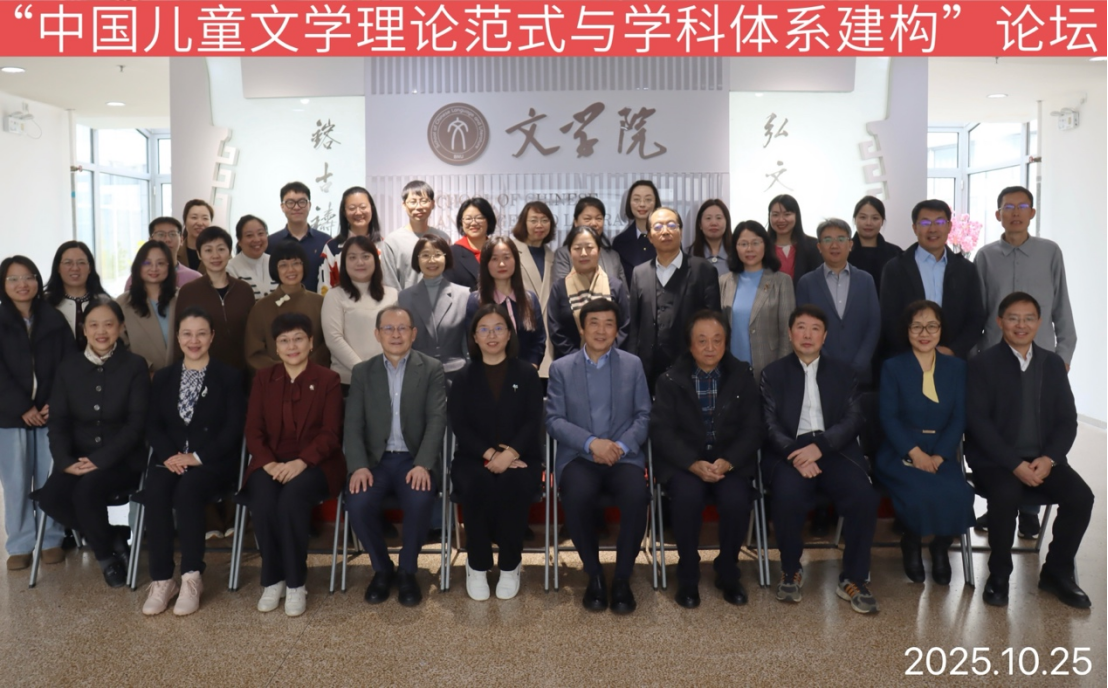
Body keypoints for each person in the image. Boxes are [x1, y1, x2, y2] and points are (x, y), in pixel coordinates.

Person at [966, 292, 1093, 609]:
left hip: (1043, 459)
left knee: (1081, 497)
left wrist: (1049, 458)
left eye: (1028, 318)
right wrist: (1013, 464)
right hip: (996, 461)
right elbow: (978, 423)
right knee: (1006, 494)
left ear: (1039, 323)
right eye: (1013, 318)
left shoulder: (1052, 364)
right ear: (1000, 322)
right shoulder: (982, 364)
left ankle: (1056, 572)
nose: (1021, 325)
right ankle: (999, 575)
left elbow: (1067, 420)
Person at [760, 305, 879, 614]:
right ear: (790, 333)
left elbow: (854, 418)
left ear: (825, 336)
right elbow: (769, 424)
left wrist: (821, 447)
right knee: (787, 496)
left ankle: (853, 578)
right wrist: (796, 454)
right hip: (790, 451)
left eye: (815, 329)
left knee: (863, 497)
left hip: (834, 448)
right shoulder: (772, 373)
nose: (807, 335)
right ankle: (790, 570)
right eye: (801, 327)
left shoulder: (844, 373)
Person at [974, 186, 1077, 538]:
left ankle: (1029, 510)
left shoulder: (1050, 252)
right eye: (1008, 207)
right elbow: (980, 311)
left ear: (1032, 213)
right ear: (998, 214)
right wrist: (977, 361)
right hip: (995, 362)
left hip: (1041, 360)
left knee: (1036, 430)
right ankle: (1000, 505)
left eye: (1022, 206)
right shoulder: (985, 256)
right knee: (1001, 430)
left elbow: (1061, 306)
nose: (1015, 212)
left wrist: (1063, 355)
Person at [34, 296, 150, 588]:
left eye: (109, 324)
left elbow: (136, 425)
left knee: (86, 492)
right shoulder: (68, 368)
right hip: (78, 457)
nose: (101, 331)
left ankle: (106, 559)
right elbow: (58, 422)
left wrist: (101, 460)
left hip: (122, 459)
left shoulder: (135, 365)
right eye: (94, 325)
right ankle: (114, 537)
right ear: (84, 329)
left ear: (120, 327)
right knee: (50, 498)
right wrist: (64, 461)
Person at [546, 298, 652, 614]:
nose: (601, 330)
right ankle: (593, 575)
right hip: (579, 457)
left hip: (624, 456)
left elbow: (644, 415)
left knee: (637, 495)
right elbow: (554, 419)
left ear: (617, 330)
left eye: (609, 324)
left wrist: (619, 446)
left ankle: (621, 578)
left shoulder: (632, 365)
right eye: (594, 323)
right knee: (576, 495)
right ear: (582, 328)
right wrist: (592, 443)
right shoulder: (561, 368)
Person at [649, 311, 761, 608]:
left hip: (728, 462)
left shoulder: (742, 376)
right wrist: (691, 463)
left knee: (736, 500)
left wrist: (729, 461)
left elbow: (753, 428)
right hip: (686, 463)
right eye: (702, 341)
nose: (710, 347)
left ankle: (728, 570)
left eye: (717, 340)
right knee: (686, 498)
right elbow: (661, 431)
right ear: (690, 344)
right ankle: (688, 572)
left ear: (726, 343)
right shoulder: (670, 380)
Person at [141, 307, 245, 616]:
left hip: (212, 462)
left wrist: (197, 457)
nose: (194, 340)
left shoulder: (229, 377)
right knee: (156, 490)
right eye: (187, 334)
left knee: (188, 490)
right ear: (178, 337)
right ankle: (162, 580)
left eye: (201, 333)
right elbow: (153, 424)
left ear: (212, 336)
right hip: (170, 459)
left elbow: (233, 428)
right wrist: (169, 456)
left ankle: (191, 576)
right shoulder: (164, 377)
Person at [241, 312, 345, 617]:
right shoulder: (264, 379)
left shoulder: (328, 379)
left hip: (317, 464)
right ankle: (273, 579)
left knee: (291, 498)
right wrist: (268, 463)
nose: (292, 346)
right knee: (263, 498)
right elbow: (253, 430)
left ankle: (297, 582)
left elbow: (330, 433)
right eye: (284, 341)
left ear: (311, 342)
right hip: (271, 462)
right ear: (276, 347)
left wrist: (302, 462)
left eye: (298, 339)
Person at [344, 306, 448, 607]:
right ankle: (382, 568)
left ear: (413, 334)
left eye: (402, 328)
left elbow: (437, 420)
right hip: (374, 462)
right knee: (357, 502)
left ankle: (407, 570)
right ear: (377, 334)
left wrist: (423, 463)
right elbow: (353, 424)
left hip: (412, 459)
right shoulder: (363, 372)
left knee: (420, 499)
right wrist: (358, 466)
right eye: (388, 328)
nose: (395, 334)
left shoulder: (430, 368)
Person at [875, 301, 974, 586]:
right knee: (920, 492)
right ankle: (912, 541)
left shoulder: (956, 368)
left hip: (942, 449)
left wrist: (941, 455)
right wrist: (915, 453)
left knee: (960, 493)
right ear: (907, 330)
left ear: (941, 330)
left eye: (932, 326)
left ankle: (940, 547)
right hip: (901, 450)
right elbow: (889, 417)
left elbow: (959, 417)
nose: (924, 333)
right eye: (916, 326)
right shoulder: (893, 367)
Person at [448, 305, 544, 601]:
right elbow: (459, 425)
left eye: (499, 328)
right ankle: (477, 565)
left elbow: (533, 421)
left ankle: (510, 565)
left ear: (509, 334)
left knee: (513, 484)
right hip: (473, 457)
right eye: (484, 329)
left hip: (521, 457)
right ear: (474, 337)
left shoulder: (526, 374)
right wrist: (491, 454)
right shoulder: (463, 377)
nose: (492, 335)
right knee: (477, 483)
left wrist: (510, 454)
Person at [0, 256, 73, 571]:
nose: (22, 284)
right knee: (16, 481)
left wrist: (53, 403)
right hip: (9, 417)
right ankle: (20, 543)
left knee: (50, 478)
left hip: (49, 415)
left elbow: (69, 366)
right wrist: (22, 407)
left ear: (38, 280)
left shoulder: (54, 319)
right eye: (13, 279)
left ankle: (50, 539)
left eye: (28, 277)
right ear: (3, 285)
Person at [628, 206, 722, 390]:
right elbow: (634, 327)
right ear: (650, 236)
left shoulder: (703, 270)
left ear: (681, 231)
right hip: (648, 370)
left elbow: (714, 321)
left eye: (671, 225)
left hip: (691, 366)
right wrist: (633, 364)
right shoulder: (640, 273)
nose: (665, 231)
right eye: (658, 227)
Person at [880, 199, 985, 360]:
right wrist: (915, 351)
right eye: (925, 223)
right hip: (907, 359)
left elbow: (975, 318)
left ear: (949, 226)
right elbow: (889, 318)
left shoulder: (966, 269)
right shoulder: (895, 268)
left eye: (940, 222)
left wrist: (953, 350)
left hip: (952, 360)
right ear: (915, 228)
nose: (933, 229)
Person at [795, 219, 881, 384]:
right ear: (819, 247)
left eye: (841, 239)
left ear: (850, 244)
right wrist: (826, 363)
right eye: (827, 239)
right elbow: (803, 327)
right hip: (819, 372)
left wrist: (859, 363)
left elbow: (874, 324)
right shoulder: (807, 283)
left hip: (860, 374)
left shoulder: (866, 280)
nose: (834, 245)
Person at [175, 226, 256, 374]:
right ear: (199, 254)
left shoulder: (244, 290)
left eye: (221, 249)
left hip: (241, 371)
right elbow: (179, 335)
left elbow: (253, 334)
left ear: (229, 252)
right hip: (201, 372)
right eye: (208, 250)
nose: (215, 256)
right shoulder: (188, 292)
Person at [720, 220, 795, 380]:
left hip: (769, 367)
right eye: (743, 244)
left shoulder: (782, 281)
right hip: (731, 368)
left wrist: (781, 370)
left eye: (755, 243)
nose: (749, 249)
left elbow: (786, 332)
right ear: (735, 248)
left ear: (765, 245)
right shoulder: (724, 282)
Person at [321, 235, 399, 387]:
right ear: (344, 263)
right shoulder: (334, 295)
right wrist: (363, 370)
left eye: (365, 256)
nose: (360, 262)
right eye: (352, 257)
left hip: (387, 377)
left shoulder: (392, 295)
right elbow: (334, 339)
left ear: (375, 260)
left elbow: (397, 337)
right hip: (348, 381)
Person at [245, 241, 330, 373]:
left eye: (296, 263)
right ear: (275, 269)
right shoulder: (261, 307)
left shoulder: (320, 302)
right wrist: (283, 371)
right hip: (274, 379)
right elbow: (254, 352)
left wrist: (306, 368)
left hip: (315, 376)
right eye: (283, 265)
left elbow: (328, 344)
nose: (291, 270)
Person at [547, 225, 631, 359]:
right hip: (570, 362)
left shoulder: (615, 286)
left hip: (611, 360)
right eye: (577, 248)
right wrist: (580, 358)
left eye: (589, 247)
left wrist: (605, 356)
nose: (583, 253)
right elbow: (556, 331)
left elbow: (624, 326)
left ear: (599, 250)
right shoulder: (559, 288)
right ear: (570, 252)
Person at [463, 237, 546, 368]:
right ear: (486, 264)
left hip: (526, 373)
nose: (501, 264)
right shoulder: (476, 301)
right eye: (494, 259)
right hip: (489, 373)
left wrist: (531, 367)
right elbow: (472, 341)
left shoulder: (530, 299)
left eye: (506, 257)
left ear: (515, 260)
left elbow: (538, 340)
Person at [397, 235, 470, 384]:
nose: (432, 260)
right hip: (417, 375)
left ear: (446, 258)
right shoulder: (404, 297)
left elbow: (467, 343)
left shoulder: (465, 295)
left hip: (457, 376)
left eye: (437, 255)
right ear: (417, 259)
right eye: (425, 255)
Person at [509, 201, 557, 374]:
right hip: (521, 336)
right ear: (523, 223)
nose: (539, 225)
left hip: (549, 341)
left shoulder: (554, 256)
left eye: (544, 220)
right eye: (534, 220)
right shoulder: (510, 251)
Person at [116, 240, 178, 375]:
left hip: (181, 376)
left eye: (160, 263)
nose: (154, 268)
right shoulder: (123, 303)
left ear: (169, 266)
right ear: (138, 266)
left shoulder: (182, 298)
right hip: (141, 376)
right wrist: (146, 371)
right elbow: (117, 347)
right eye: (147, 263)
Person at [379, 180, 450, 291]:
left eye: (424, 201)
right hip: (403, 301)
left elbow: (448, 276)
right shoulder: (392, 241)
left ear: (433, 204)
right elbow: (389, 283)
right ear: (404, 205)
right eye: (413, 201)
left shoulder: (443, 238)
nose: (419, 206)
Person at [267, 181, 330, 293]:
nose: (296, 207)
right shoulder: (271, 243)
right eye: (290, 203)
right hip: (281, 302)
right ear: (282, 207)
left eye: (302, 202)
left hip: (319, 302)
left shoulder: (325, 241)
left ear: (309, 205)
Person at [318, 186, 381, 295]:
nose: (358, 212)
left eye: (363, 207)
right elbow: (325, 288)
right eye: (352, 208)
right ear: (344, 212)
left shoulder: (384, 245)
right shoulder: (332, 248)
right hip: (341, 304)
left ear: (372, 208)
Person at [44, 241, 107, 349]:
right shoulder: (45, 304)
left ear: (90, 268)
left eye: (81, 262)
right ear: (58, 267)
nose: (75, 268)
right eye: (68, 262)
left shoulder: (105, 303)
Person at [552, 197, 628, 286]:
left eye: (598, 218)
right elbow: (561, 289)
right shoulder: (563, 254)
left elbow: (623, 292)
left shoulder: (613, 256)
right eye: (587, 219)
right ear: (576, 222)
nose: (594, 223)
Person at [847, 196, 902, 294]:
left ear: (882, 221)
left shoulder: (895, 253)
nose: (868, 223)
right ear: (855, 219)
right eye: (863, 217)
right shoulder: (844, 251)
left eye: (875, 218)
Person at [766, 194, 821, 286]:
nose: (781, 220)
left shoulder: (813, 246)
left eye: (787, 214)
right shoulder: (762, 247)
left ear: (796, 216)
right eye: (775, 215)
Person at [611, 180, 661, 281]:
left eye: (648, 199)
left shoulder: (668, 238)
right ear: (629, 203)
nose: (642, 204)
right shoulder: (619, 242)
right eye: (636, 199)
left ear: (656, 203)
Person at [444, 197, 495, 291]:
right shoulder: (451, 254)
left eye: (479, 218)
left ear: (489, 220)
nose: (474, 223)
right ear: (461, 222)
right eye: (468, 218)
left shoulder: (498, 250)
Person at [227, 214, 278, 299]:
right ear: (239, 241)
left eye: (260, 233)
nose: (257, 239)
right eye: (249, 235)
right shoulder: (230, 268)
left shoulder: (276, 262)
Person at [145, 217, 203, 286]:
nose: (167, 239)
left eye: (172, 234)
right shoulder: (139, 277)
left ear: (181, 240)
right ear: (150, 240)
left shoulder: (195, 278)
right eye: (161, 234)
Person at [691, 199, 733, 276]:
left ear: (727, 222)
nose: (714, 223)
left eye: (719, 218)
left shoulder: (738, 253)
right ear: (700, 224)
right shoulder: (688, 255)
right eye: (708, 218)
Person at [180, 199, 213, 272]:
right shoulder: (174, 252)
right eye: (194, 217)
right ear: (185, 221)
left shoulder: (221, 252)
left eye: (205, 218)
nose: (200, 223)